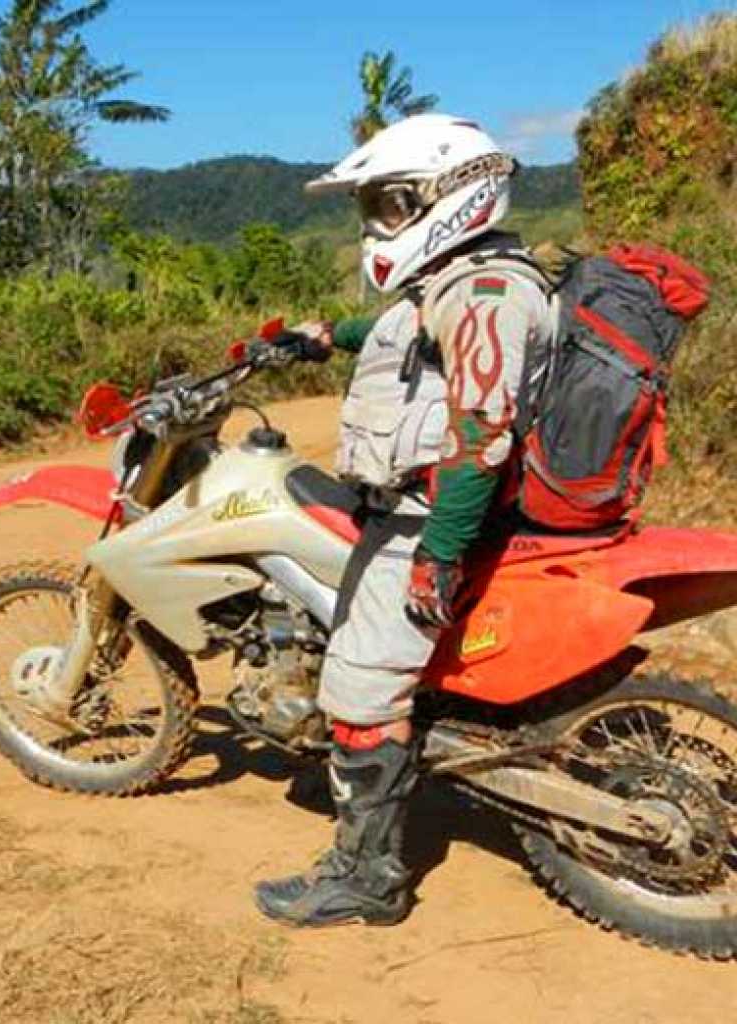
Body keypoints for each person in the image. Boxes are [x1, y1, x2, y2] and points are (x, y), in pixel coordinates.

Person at [254, 113, 558, 927]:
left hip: (430, 518)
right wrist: (323, 337)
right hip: (411, 507)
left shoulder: (487, 293)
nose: (378, 224)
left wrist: (439, 555)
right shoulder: (461, 280)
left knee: (357, 691)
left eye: (390, 204)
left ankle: (367, 879)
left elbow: (479, 436)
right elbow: (404, 330)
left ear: (447, 197)